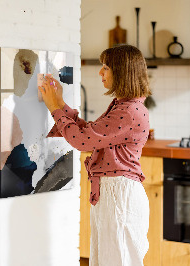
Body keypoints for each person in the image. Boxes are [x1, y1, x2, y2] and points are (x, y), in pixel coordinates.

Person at [38, 44, 151, 266]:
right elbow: (90, 133)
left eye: (106, 67)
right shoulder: (124, 106)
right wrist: (60, 103)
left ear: (122, 72)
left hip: (119, 195)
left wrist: (54, 108)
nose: (100, 72)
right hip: (113, 193)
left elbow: (81, 141)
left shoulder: (128, 111)